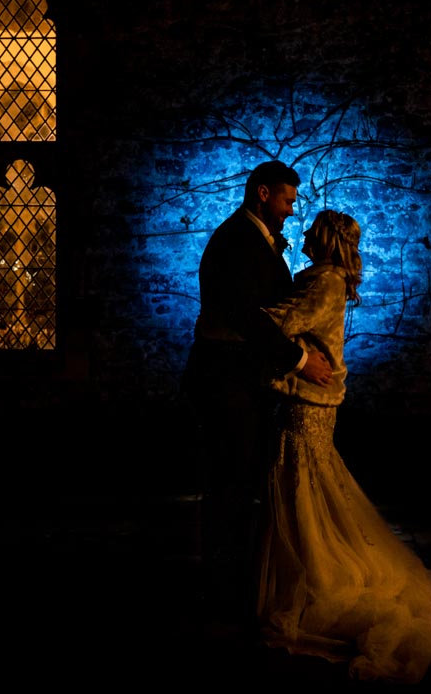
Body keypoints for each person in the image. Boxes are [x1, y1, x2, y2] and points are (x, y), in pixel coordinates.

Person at [255, 210, 431, 684]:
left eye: (312, 229)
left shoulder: (324, 283)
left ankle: (317, 576)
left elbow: (285, 323)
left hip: (308, 402)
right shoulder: (324, 279)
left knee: (305, 484)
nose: (302, 232)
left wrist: (244, 313)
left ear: (325, 239)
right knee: (310, 485)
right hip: (310, 399)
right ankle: (311, 564)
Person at [182, 160, 334, 626]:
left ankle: (235, 581)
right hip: (226, 382)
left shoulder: (254, 239)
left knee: (240, 479)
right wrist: (300, 361)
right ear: (263, 193)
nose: (292, 211)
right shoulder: (236, 241)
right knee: (229, 481)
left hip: (242, 382)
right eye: (288, 200)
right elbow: (249, 317)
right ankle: (222, 591)